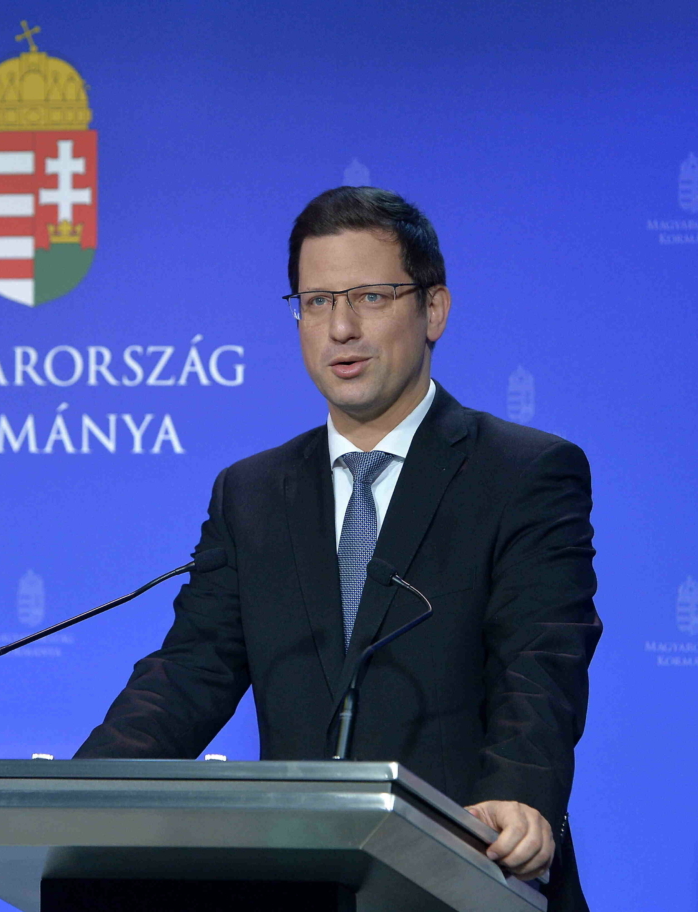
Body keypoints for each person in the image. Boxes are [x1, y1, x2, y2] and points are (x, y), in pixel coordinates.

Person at [75, 186, 601, 911]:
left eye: (371, 297)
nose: (341, 328)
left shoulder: (522, 471)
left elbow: (540, 658)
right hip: (299, 883)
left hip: (468, 871)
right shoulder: (253, 492)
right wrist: (82, 791)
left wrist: (519, 793)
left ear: (434, 310)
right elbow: (192, 669)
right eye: (316, 302)